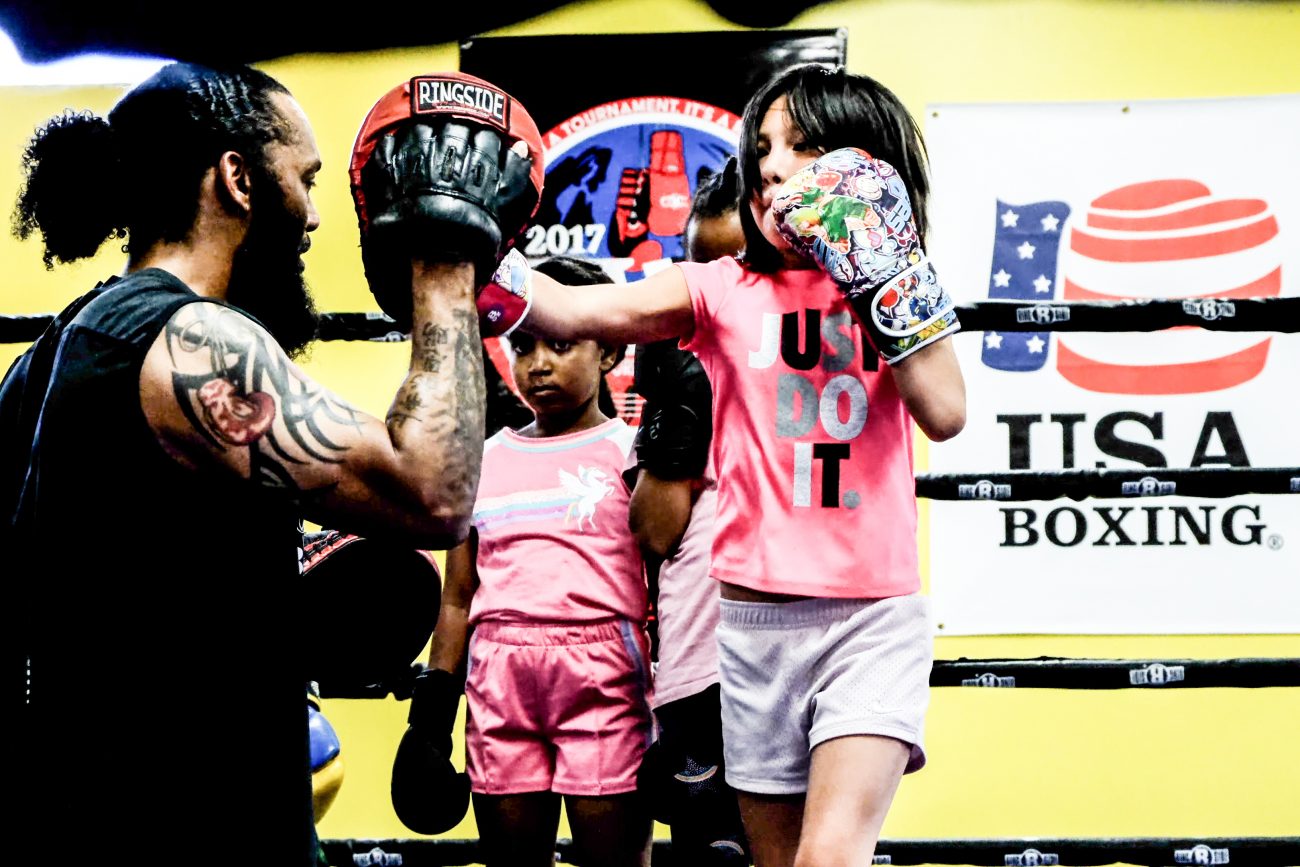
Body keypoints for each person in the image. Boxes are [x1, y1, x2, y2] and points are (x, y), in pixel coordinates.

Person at [6, 62, 520, 865]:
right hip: (188, 831)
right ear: (238, 179)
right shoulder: (192, 341)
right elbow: (434, 491)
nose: (314, 214)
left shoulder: (54, 352)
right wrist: (447, 260)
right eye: (303, 179)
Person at [480, 63, 966, 867]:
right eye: (763, 148)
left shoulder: (899, 284)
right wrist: (465, 249)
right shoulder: (720, 288)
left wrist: (882, 267)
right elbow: (567, 308)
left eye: (804, 146)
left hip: (871, 619)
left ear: (867, 157)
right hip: (752, 627)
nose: (774, 166)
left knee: (829, 856)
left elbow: (945, 413)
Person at [400, 256, 654, 867]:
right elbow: (458, 595)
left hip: (604, 673)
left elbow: (668, 583)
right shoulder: (479, 461)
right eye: (524, 345)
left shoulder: (631, 454)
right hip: (499, 678)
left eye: (561, 344)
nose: (538, 364)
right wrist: (433, 708)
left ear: (610, 353)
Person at [629, 157, 750, 865]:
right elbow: (653, 528)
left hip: (793, 654)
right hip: (699, 667)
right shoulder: (684, 363)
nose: (723, 285)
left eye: (741, 264)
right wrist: (680, 415)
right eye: (705, 267)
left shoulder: (818, 374)